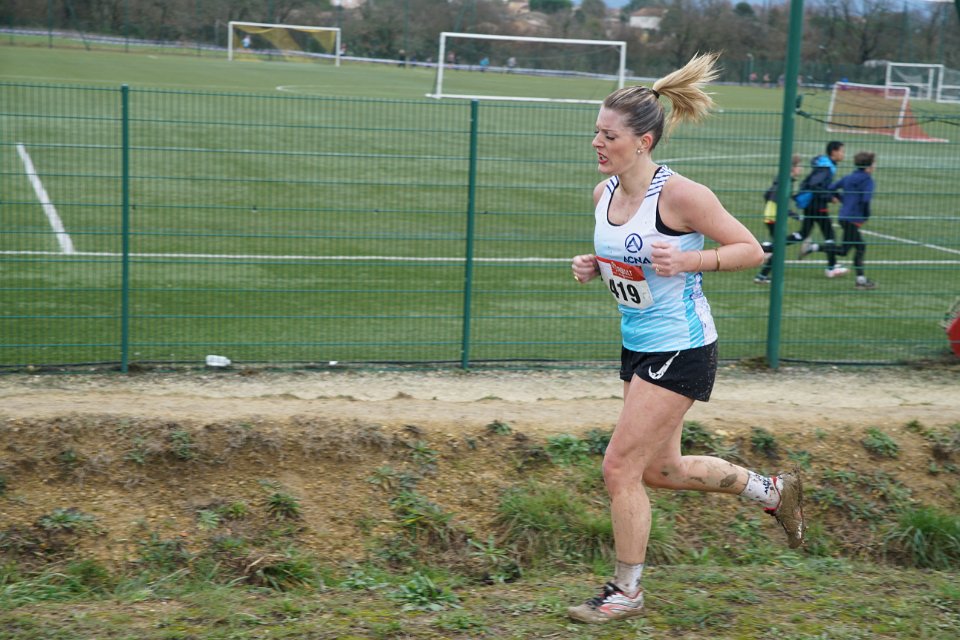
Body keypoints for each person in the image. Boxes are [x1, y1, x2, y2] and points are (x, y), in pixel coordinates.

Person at [568, 53, 804, 625]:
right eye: (597, 131)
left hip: (682, 346)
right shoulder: (603, 195)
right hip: (638, 342)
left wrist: (690, 259)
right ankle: (772, 491)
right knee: (661, 471)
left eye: (609, 135)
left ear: (643, 141)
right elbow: (628, 260)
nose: (597, 142)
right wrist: (595, 267)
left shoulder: (681, 196)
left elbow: (750, 249)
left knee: (619, 468)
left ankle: (626, 592)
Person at [801, 152, 877, 290]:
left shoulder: (849, 177)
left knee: (845, 250)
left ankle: (814, 247)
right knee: (858, 247)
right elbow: (866, 200)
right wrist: (866, 214)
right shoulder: (868, 181)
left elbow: (830, 188)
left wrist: (843, 200)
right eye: (874, 163)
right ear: (869, 166)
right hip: (853, 219)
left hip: (843, 217)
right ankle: (860, 281)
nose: (875, 166)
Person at [795, 141, 848, 278]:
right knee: (830, 236)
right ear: (834, 152)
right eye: (842, 151)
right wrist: (830, 197)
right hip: (818, 206)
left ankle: (768, 248)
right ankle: (831, 268)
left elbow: (824, 186)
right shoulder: (826, 168)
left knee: (802, 234)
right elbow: (815, 185)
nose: (844, 154)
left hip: (811, 205)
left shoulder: (826, 165)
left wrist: (836, 196)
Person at [754, 153, 804, 284]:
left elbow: (767, 195)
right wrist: (795, 216)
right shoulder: (785, 182)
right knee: (778, 247)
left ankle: (762, 272)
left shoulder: (782, 179)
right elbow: (779, 202)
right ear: (792, 168)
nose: (801, 169)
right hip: (774, 218)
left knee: (778, 247)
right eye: (799, 166)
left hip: (770, 216)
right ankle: (758, 251)